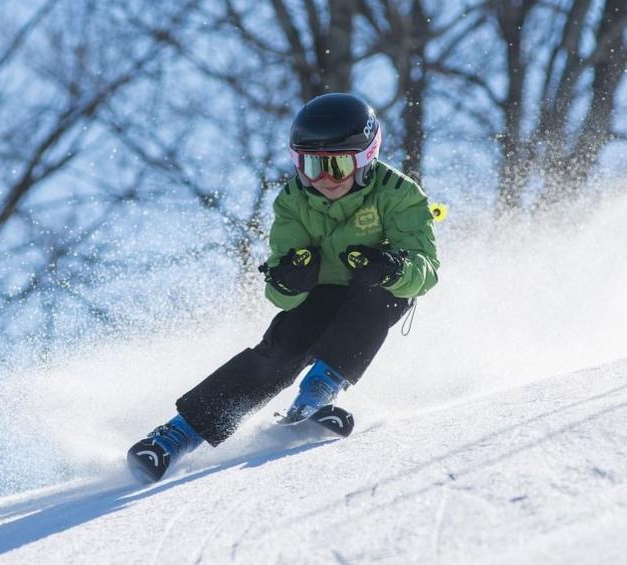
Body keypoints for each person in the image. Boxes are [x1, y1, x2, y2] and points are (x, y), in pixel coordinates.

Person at [127, 92, 440, 483]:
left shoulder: (399, 194)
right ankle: (177, 435)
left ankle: (316, 395)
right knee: (282, 348)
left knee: (376, 300)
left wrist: (392, 268)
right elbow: (279, 293)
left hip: (377, 290)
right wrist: (289, 280)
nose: (323, 179)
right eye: (311, 166)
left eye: (338, 165)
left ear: (366, 158)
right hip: (321, 293)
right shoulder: (293, 200)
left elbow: (427, 269)